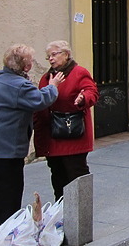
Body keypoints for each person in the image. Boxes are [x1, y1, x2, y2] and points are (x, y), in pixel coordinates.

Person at [0, 45, 65, 231]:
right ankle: (7, 224)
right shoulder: (19, 86)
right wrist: (53, 86)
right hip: (5, 143)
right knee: (10, 185)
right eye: (30, 61)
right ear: (25, 67)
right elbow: (40, 100)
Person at [34, 40, 99, 200]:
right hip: (53, 134)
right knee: (57, 175)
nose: (51, 59)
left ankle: (81, 209)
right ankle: (61, 208)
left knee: (76, 172)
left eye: (54, 54)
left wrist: (83, 98)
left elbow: (92, 91)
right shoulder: (47, 77)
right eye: (48, 56)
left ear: (66, 54)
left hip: (72, 133)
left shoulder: (79, 73)